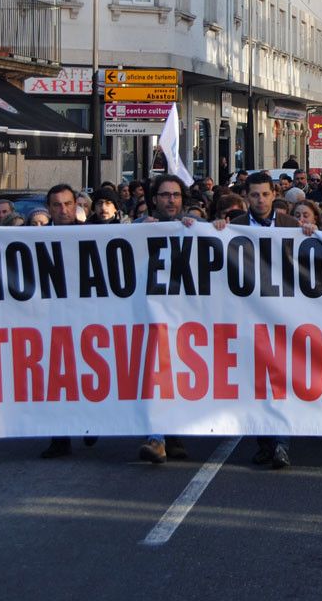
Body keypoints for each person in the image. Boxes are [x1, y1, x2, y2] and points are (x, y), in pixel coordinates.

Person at [226, 172, 310, 468]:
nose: (260, 200)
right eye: (254, 195)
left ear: (274, 195)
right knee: (255, 381)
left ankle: (281, 444)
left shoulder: (291, 226)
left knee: (281, 379)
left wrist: (312, 235)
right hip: (248, 316)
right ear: (246, 197)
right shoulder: (233, 228)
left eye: (264, 194)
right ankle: (264, 441)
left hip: (284, 315)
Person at [134, 175, 195, 463]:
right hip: (149, 316)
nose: (171, 200)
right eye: (165, 195)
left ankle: (172, 435)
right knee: (156, 377)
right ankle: (158, 438)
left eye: (176, 195)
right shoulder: (138, 229)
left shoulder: (195, 228)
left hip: (186, 319)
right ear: (154, 199)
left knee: (178, 378)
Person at [39, 184, 100, 459]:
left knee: (88, 374)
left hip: (88, 318)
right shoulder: (35, 239)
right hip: (54, 319)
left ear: (76, 204)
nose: (62, 210)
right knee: (57, 379)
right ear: (49, 208)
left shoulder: (94, 234)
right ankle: (59, 438)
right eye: (56, 205)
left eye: (67, 204)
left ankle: (90, 424)